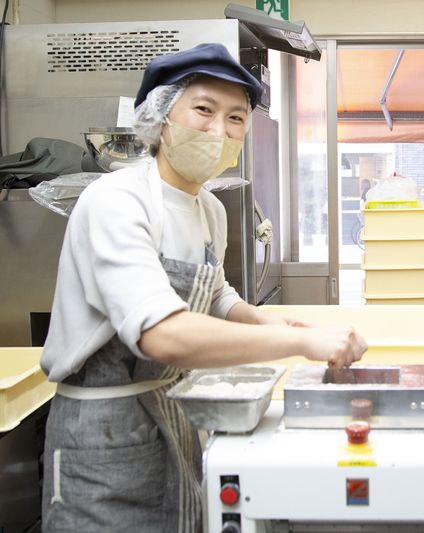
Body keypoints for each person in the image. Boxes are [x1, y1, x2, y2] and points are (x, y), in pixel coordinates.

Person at [39, 43, 368, 533]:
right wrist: (301, 342)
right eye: (204, 110)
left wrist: (268, 319)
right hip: (105, 437)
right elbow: (162, 335)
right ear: (161, 118)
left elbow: (215, 294)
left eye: (236, 118)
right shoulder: (117, 202)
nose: (220, 131)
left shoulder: (209, 209)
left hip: (178, 414)